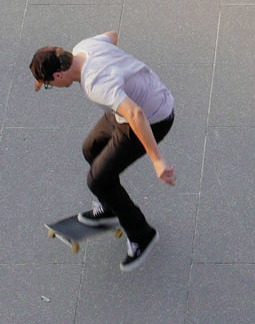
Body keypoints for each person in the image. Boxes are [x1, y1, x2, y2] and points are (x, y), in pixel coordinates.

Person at [29, 33, 175, 271]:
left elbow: (136, 115)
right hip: (133, 104)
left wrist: (157, 160)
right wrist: (118, 70)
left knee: (97, 180)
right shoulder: (83, 47)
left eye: (48, 85)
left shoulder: (94, 84)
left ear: (58, 75)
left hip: (152, 118)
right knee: (91, 148)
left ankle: (142, 235)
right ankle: (109, 208)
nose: (52, 87)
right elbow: (112, 36)